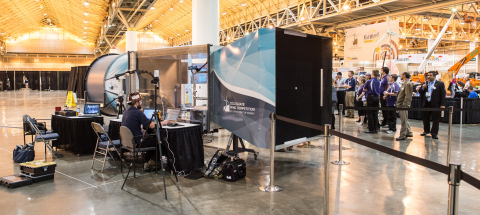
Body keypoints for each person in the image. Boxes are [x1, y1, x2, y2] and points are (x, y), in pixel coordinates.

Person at [121, 92, 170, 169]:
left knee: (151, 139)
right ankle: (152, 162)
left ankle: (147, 160)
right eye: (140, 101)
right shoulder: (138, 113)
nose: (141, 103)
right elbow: (151, 126)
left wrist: (141, 131)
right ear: (136, 102)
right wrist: (164, 122)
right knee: (160, 141)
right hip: (137, 142)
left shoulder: (125, 112)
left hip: (128, 142)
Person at [418, 71, 446, 139]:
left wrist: (442, 104)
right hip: (426, 103)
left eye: (430, 75)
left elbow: (443, 95)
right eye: (428, 75)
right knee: (425, 118)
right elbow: (420, 92)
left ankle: (434, 133)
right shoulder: (425, 83)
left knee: (435, 119)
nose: (428, 76)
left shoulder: (440, 84)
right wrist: (423, 88)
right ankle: (426, 131)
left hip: (435, 104)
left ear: (434, 76)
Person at [395, 72, 413, 141]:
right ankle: (409, 132)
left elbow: (408, 96)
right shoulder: (404, 83)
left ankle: (402, 135)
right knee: (404, 119)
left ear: (404, 75)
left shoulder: (408, 84)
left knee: (403, 121)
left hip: (403, 105)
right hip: (400, 105)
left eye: (401, 75)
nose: (400, 76)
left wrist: (405, 105)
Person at [364, 69, 380, 133]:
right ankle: (376, 128)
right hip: (377, 97)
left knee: (370, 113)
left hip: (371, 97)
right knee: (375, 113)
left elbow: (364, 88)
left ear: (373, 74)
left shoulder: (369, 81)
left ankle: (371, 129)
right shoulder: (378, 81)